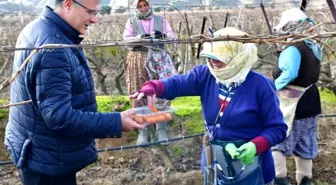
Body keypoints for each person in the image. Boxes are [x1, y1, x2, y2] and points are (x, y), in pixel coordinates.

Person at [4, 1, 144, 185]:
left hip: (37, 148)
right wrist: (116, 121)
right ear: (69, 4)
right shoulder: (54, 48)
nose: (94, 19)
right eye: (90, 12)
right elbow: (59, 116)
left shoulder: (37, 28)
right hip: (47, 161)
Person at [130, 27, 287, 185]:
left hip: (252, 168)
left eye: (219, 57)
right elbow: (178, 83)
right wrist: (153, 87)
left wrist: (255, 145)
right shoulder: (206, 76)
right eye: (211, 56)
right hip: (216, 165)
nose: (213, 61)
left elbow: (277, 128)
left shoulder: (261, 86)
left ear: (238, 56)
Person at [271, 8, 322, 185]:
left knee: (278, 140)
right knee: (305, 143)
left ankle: (280, 179)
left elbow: (290, 73)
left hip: (292, 102)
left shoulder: (293, 48)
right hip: (311, 100)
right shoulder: (313, 46)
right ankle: (304, 181)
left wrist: (271, 87)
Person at [123, 0, 177, 145]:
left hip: (159, 58)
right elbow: (126, 41)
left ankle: (161, 129)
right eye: (139, 6)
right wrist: (139, 38)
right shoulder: (131, 21)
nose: (143, 8)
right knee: (138, 92)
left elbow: (173, 37)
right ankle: (143, 131)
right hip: (138, 58)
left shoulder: (160, 19)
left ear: (149, 5)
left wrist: (162, 35)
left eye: (145, 5)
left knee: (161, 90)